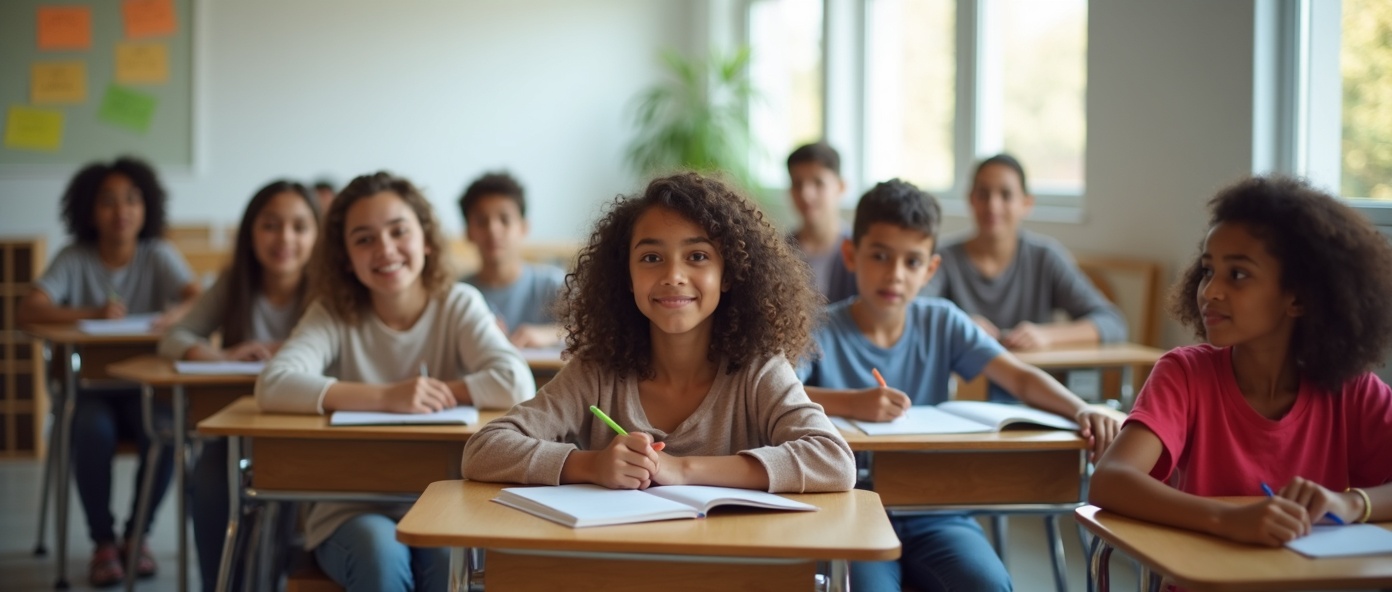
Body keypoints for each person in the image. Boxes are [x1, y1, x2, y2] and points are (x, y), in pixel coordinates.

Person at [800, 178, 1119, 591]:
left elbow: (1018, 376)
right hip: (853, 507)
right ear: (851, 254)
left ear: (931, 268)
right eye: (879, 256)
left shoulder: (943, 321)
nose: (894, 274)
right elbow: (779, 394)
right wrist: (849, 403)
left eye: (912, 262)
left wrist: (1081, 409)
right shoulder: (817, 328)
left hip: (936, 504)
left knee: (990, 585)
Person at [462, 172, 855, 497]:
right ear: (627, 278)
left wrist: (681, 469)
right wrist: (591, 464)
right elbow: (483, 450)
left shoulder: (758, 371)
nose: (673, 276)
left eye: (697, 256)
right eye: (651, 258)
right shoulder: (598, 370)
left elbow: (833, 460)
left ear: (730, 274)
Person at [256, 171, 534, 592]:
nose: (384, 249)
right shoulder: (333, 311)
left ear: (424, 239)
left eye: (398, 231)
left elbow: (517, 382)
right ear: (346, 257)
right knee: (378, 554)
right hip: (349, 507)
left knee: (448, 561)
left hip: (440, 498)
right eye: (364, 239)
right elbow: (274, 384)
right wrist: (387, 397)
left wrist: (432, 393)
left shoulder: (457, 303)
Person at [1089, 176, 1392, 546]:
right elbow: (1110, 480)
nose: (1211, 291)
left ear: (1298, 297)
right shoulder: (1184, 374)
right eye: (1207, 271)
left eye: (1238, 275)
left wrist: (1349, 503)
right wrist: (1227, 518)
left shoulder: (1351, 390)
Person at [17, 156, 201, 586]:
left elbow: (200, 299)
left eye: (132, 200)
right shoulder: (74, 257)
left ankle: (137, 536)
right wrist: (92, 312)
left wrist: (174, 316)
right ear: (88, 210)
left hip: (147, 389)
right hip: (92, 391)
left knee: (166, 430)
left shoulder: (157, 254)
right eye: (108, 202)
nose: (122, 211)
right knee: (90, 433)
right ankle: (103, 542)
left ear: (147, 206)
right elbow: (29, 310)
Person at [157, 180, 320, 591]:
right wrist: (222, 356)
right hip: (239, 432)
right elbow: (174, 337)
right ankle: (220, 583)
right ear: (251, 232)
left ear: (317, 235)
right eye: (271, 225)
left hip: (311, 431)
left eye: (299, 227)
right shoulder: (234, 284)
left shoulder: (330, 292)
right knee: (210, 478)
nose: (285, 238)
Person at [928, 154, 1125, 355]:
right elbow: (910, 312)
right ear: (971, 199)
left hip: (1032, 382)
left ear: (1026, 203)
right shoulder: (942, 259)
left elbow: (1112, 322)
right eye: (983, 194)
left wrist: (1047, 336)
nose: (993, 206)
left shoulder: (1045, 258)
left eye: (1006, 195)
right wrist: (958, 325)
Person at [458, 171, 566, 348]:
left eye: (505, 219)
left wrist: (551, 334)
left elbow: (595, 331)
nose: (493, 230)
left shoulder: (554, 285)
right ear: (468, 232)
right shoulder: (457, 296)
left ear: (524, 227)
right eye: (481, 221)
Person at [787, 142, 857, 304]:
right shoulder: (778, 251)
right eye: (798, 184)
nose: (806, 194)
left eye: (818, 183)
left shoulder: (860, 252)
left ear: (840, 187)